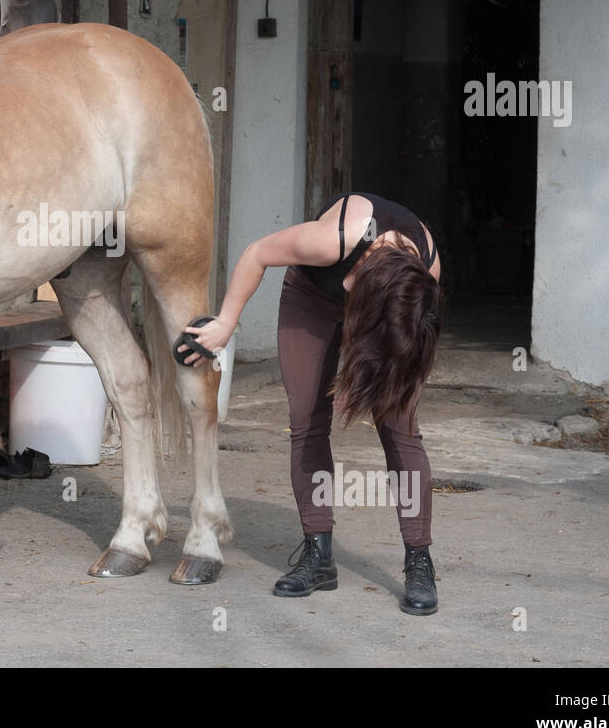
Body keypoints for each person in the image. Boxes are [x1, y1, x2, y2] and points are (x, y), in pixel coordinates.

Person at [178, 193, 444, 615]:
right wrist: (225, 323)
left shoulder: (424, 273)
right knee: (307, 419)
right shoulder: (334, 239)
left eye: (355, 288)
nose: (348, 287)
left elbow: (402, 338)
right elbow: (257, 253)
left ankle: (419, 560)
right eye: (353, 280)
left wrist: (373, 365)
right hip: (312, 298)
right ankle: (318, 555)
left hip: (384, 317)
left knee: (402, 431)